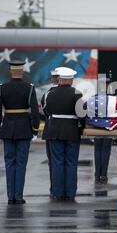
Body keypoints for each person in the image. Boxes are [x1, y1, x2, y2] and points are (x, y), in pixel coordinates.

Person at [0, 60, 40, 205]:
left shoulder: (2, 88)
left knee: (9, 163)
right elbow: (35, 111)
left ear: (11, 72)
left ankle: (10, 196)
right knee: (21, 163)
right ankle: (18, 196)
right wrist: (35, 128)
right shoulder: (29, 88)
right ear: (22, 71)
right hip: (24, 129)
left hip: (7, 128)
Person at [43, 67, 84, 202]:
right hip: (72, 131)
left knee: (57, 162)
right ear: (71, 80)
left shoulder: (51, 93)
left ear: (60, 79)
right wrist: (82, 127)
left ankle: (57, 192)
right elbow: (82, 114)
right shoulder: (77, 93)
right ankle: (70, 192)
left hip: (55, 131)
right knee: (71, 163)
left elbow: (46, 111)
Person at [41, 69, 60, 194]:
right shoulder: (73, 91)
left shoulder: (47, 93)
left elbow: (45, 111)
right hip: (67, 130)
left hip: (51, 128)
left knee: (53, 161)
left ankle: (54, 187)